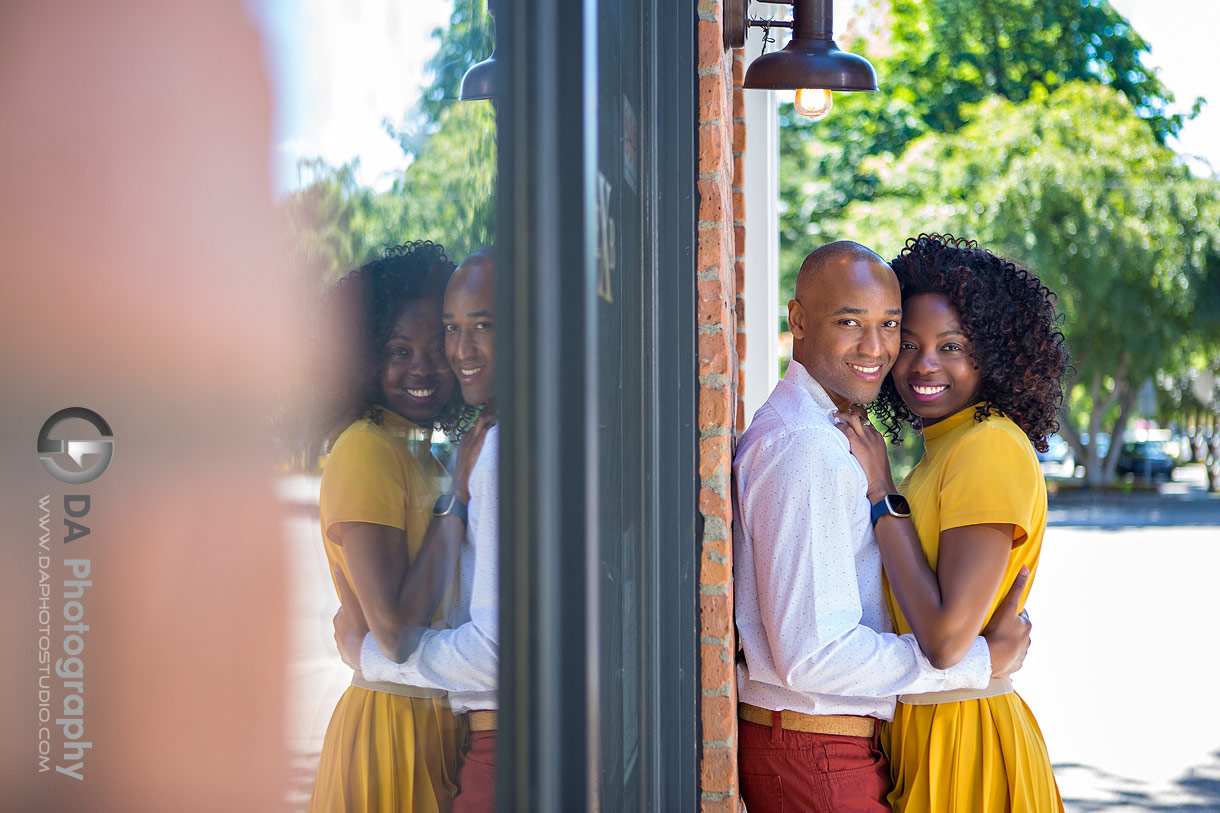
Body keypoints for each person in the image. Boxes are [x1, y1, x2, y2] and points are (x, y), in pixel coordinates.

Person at [734, 240, 1033, 813]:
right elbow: (813, 656)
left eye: (889, 325)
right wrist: (979, 661)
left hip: (822, 746)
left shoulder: (826, 432)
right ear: (797, 320)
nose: (876, 348)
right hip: (814, 749)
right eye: (850, 322)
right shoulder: (809, 447)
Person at [835, 233, 1067, 811]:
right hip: (930, 728)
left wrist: (882, 491)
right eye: (907, 343)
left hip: (967, 745)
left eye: (952, 345)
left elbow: (944, 640)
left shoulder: (987, 445)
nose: (924, 364)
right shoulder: (948, 444)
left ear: (993, 353)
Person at [308, 242, 481, 813]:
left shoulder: (419, 453)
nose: (424, 367)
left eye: (439, 346)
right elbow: (396, 632)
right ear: (364, 358)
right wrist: (455, 503)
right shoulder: (366, 450)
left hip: (432, 718)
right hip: (391, 732)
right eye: (398, 349)